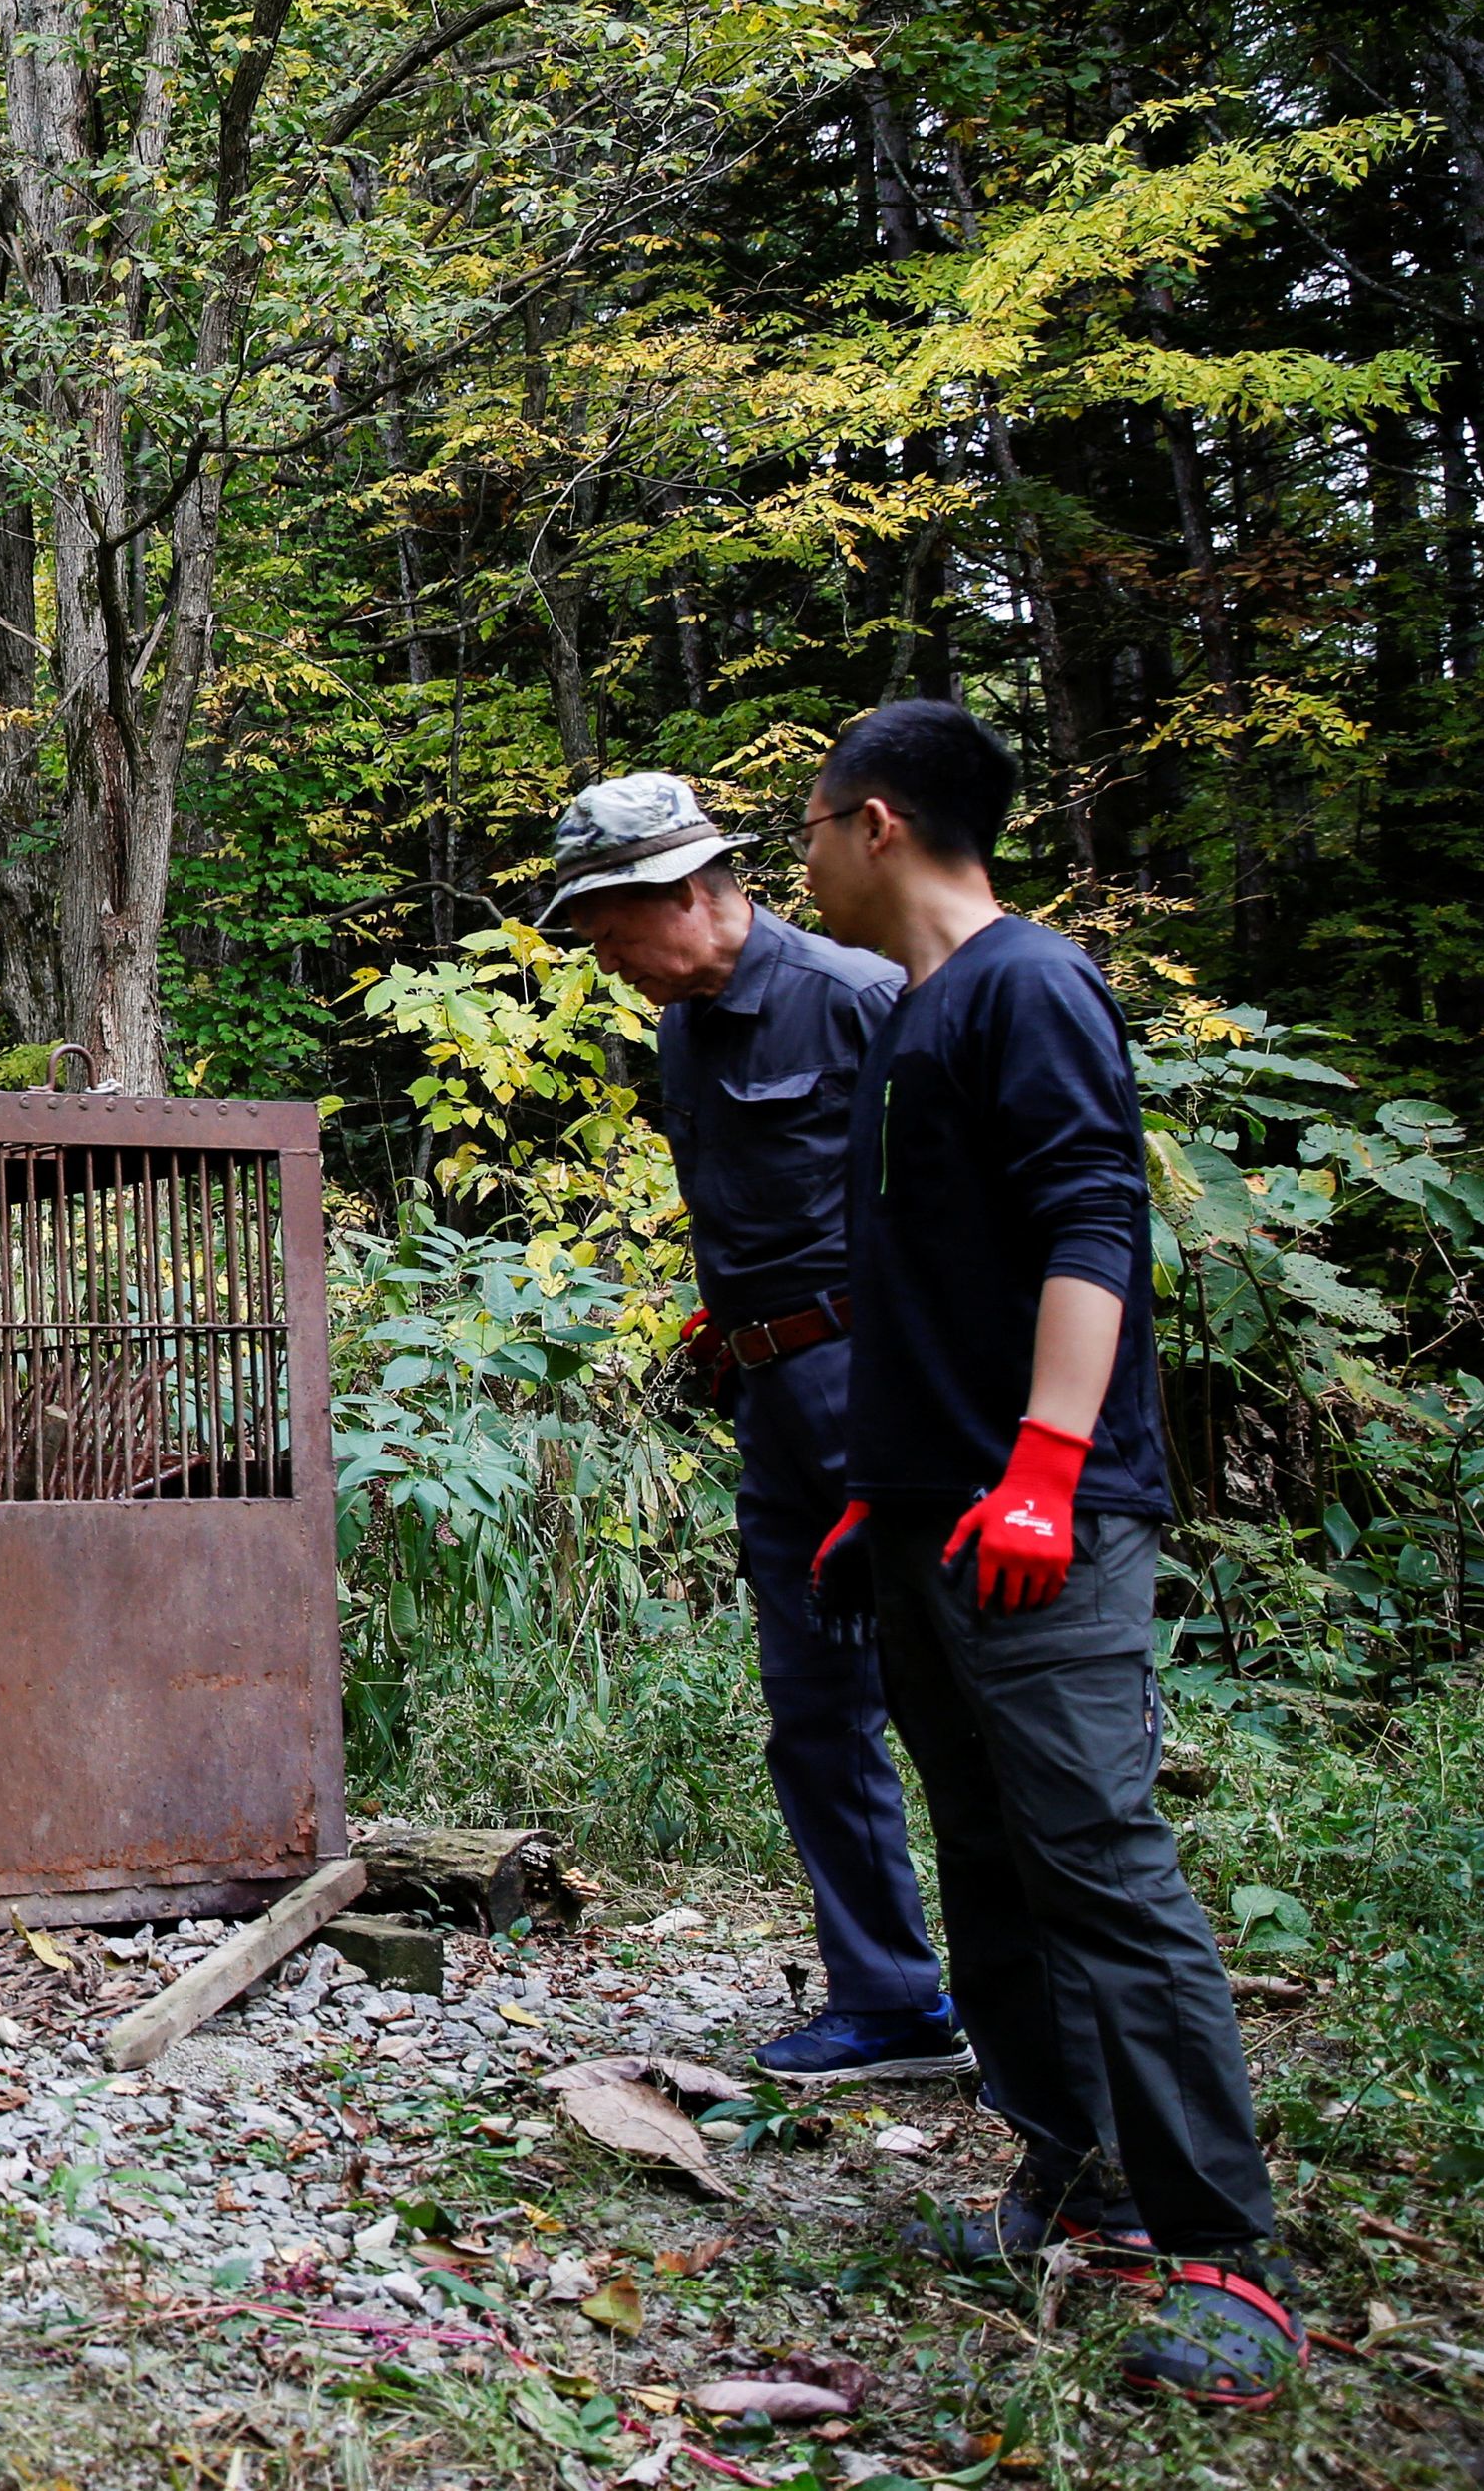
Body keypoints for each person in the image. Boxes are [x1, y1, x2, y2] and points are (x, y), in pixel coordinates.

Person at [799, 699, 1304, 2411]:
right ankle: (1074, 2190)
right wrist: (891, 1483)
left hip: (1044, 1530)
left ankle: (1229, 2258)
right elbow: (944, 1287)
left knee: (1100, 1863)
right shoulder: (915, 1017)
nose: (801, 863)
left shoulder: (1030, 985)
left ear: (877, 823)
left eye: (805, 829)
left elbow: (1096, 1222)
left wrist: (1042, 1469)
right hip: (932, 1527)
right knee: (995, 1862)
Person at [544, 772, 965, 2088]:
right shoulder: (686, 1030)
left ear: (688, 894)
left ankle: (1051, 2017)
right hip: (772, 1401)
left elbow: (941, 1232)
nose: (609, 961)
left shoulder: (854, 997)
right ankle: (891, 2001)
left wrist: (895, 1421)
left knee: (948, 1699)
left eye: (615, 931)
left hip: (875, 1394)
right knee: (812, 1707)